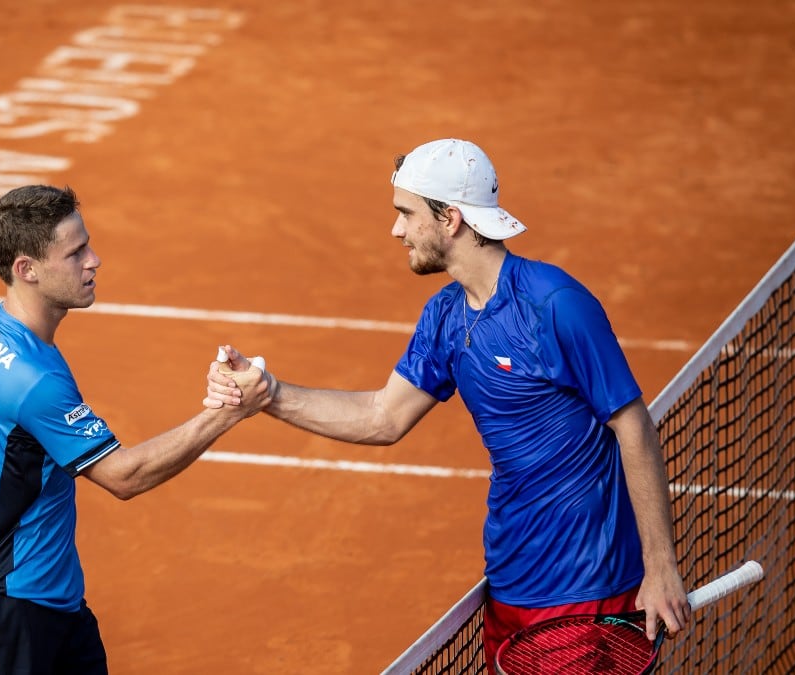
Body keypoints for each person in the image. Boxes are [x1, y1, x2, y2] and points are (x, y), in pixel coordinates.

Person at [205, 138, 691, 671]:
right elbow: (383, 416)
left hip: (587, 589)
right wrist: (269, 394)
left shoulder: (555, 305)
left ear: (450, 219)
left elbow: (633, 425)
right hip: (509, 585)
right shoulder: (444, 317)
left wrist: (660, 563)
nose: (396, 230)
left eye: (406, 214)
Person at [0, 184, 271, 674]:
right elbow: (124, 476)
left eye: (87, 244)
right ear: (27, 269)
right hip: (5, 616)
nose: (94, 260)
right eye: (75, 253)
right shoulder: (32, 379)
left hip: (57, 605)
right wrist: (228, 412)